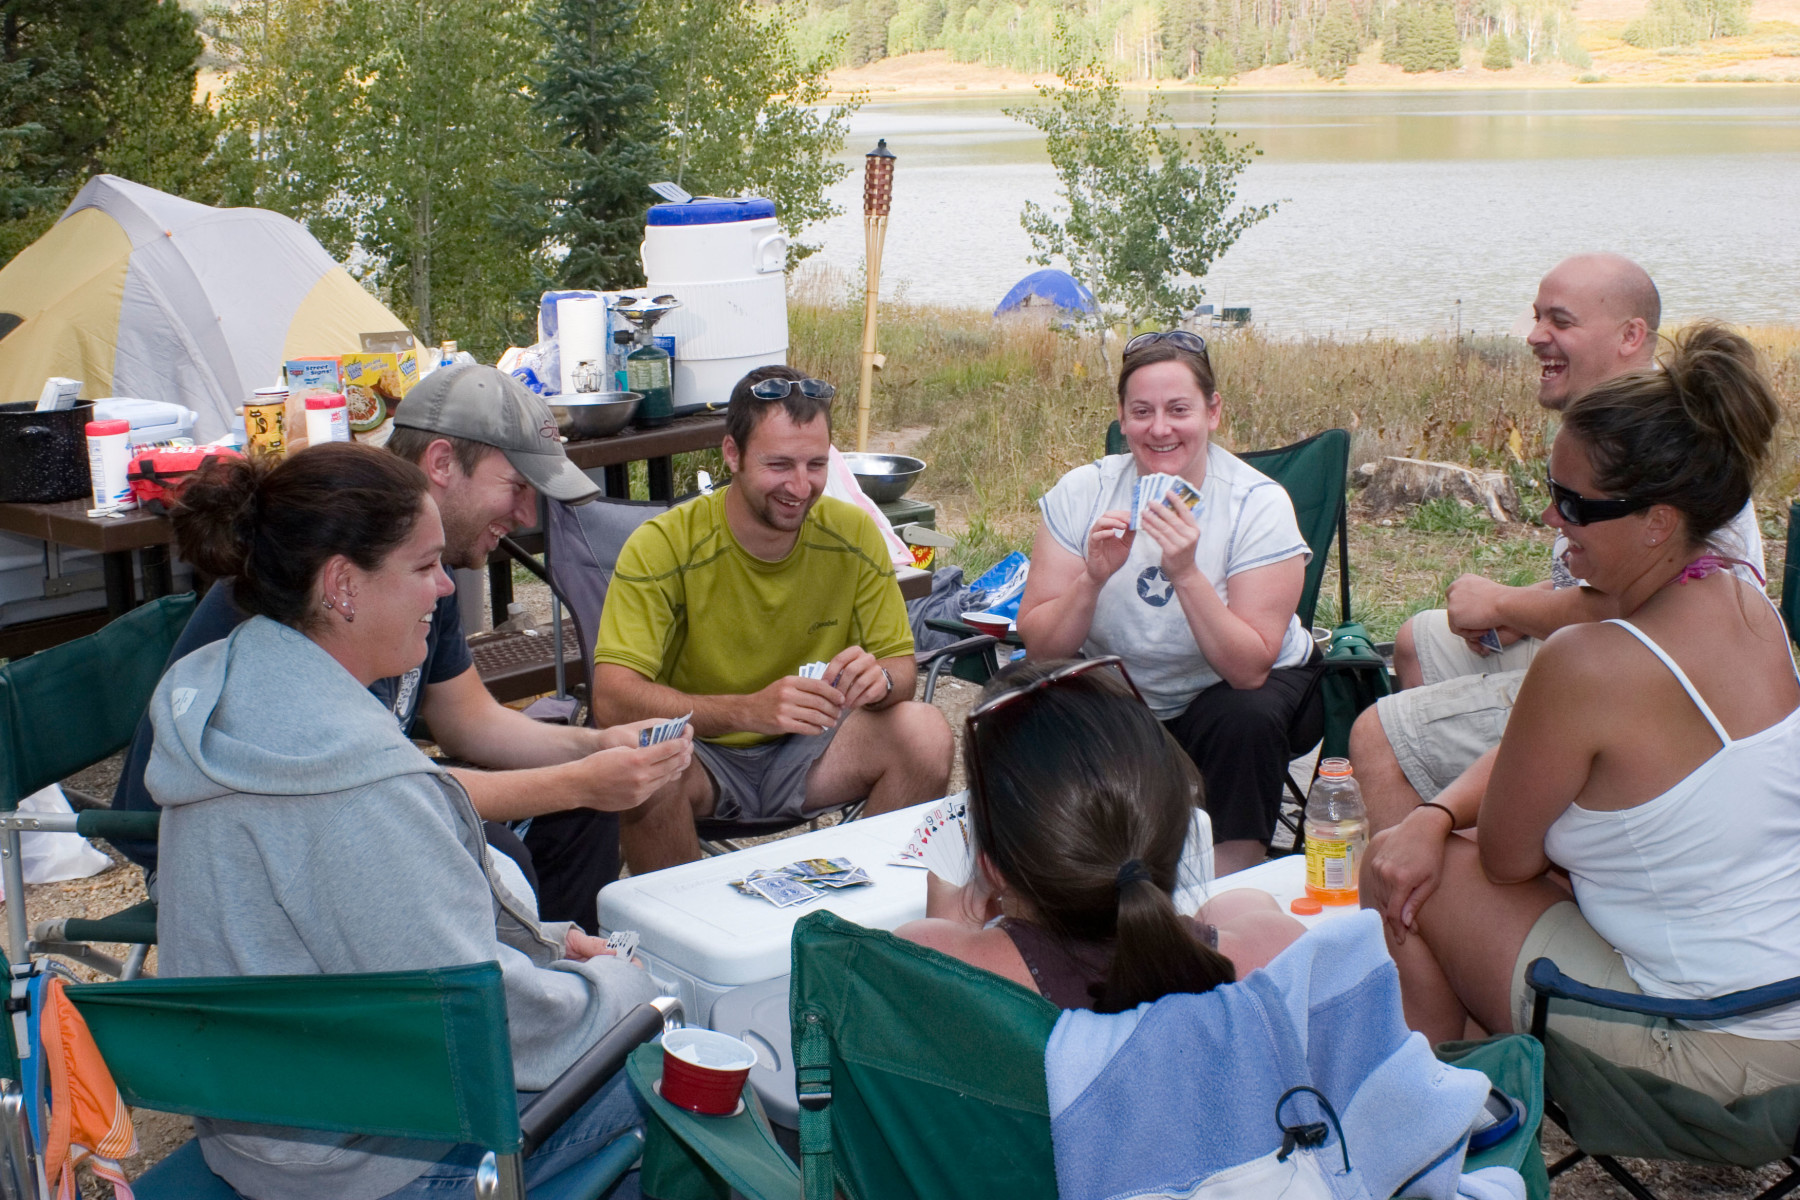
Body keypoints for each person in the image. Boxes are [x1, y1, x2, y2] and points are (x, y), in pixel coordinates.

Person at [147, 443, 659, 1199]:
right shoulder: (355, 784)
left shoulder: (234, 701)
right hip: (372, 1155)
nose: (446, 588)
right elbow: (487, 1028)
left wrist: (549, 944)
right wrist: (621, 987)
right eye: (423, 568)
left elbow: (364, 950)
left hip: (260, 1125)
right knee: (690, 1066)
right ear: (343, 587)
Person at [1361, 324, 1800, 1103]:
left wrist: (1427, 827)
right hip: (1781, 1008)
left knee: (1397, 867)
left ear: (1658, 520)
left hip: (1709, 1063)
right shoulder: (1749, 608)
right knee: (1426, 840)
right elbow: (1557, 761)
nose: (1553, 524)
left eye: (1572, 504)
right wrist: (1437, 810)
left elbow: (1504, 857)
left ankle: (1433, 1122)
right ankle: (1465, 1100)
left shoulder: (1590, 662)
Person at [114, 363, 691, 931]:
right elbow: (373, 781)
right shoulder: (307, 581)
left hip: (357, 800)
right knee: (495, 843)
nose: (525, 516)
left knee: (580, 810)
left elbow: (467, 723)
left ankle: (559, 968)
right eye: (517, 486)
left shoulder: (412, 568)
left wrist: (594, 745)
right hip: (245, 843)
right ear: (441, 462)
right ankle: (524, 987)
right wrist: (583, 776)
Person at [1351, 254, 1765, 829]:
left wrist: (1502, 603)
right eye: (1537, 317)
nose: (1535, 337)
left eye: (1560, 322)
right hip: (1622, 640)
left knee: (1381, 737)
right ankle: (1477, 819)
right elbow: (1613, 578)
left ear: (1630, 336)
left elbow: (1644, 609)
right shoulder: (1620, 422)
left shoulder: (1661, 444)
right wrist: (1528, 609)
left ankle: (1426, 868)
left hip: (1652, 684)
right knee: (1420, 639)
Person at [590, 365, 954, 874]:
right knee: (648, 765)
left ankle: (865, 923)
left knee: (925, 732)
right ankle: (682, 942)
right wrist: (747, 712)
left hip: (811, 753)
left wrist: (881, 680)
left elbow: (901, 670)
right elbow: (611, 698)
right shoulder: (664, 545)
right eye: (779, 464)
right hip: (700, 757)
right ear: (732, 454)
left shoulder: (853, 533)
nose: (801, 487)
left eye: (816, 465)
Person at [1016, 331, 1321, 876]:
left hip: (1229, 690)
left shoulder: (1257, 504)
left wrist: (1185, 571)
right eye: (1143, 412)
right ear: (1122, 418)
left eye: (1179, 409)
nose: (1160, 429)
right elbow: (1039, 647)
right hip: (1120, 688)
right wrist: (1091, 579)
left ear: (1213, 412)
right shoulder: (1084, 492)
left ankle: (1230, 881)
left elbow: (1249, 667)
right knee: (1021, 702)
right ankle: (1062, 873)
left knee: (1242, 717)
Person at [897, 658, 1304, 1011]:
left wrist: (965, 913)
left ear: (992, 865)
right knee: (1244, 900)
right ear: (1180, 831)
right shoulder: (1283, 953)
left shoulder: (928, 967)